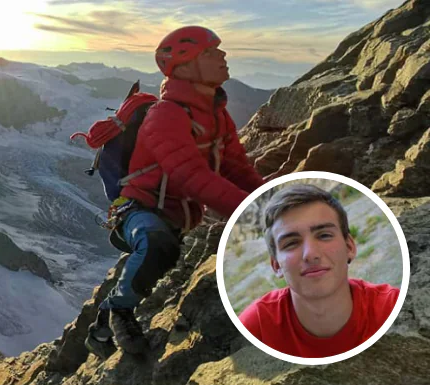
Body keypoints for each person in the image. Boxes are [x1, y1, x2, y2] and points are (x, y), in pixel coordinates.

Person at [84, 26, 265, 358]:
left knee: (155, 258)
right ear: (184, 66)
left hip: (175, 215)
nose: (223, 56)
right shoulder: (165, 116)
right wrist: (253, 211)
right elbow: (190, 177)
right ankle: (119, 313)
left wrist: (270, 198)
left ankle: (98, 332)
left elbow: (235, 167)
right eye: (211, 53)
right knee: (156, 244)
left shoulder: (216, 115)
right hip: (137, 210)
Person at [239, 184, 400, 358]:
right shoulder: (257, 327)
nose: (311, 254)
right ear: (276, 265)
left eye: (324, 235)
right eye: (291, 243)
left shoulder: (392, 308)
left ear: (349, 247)